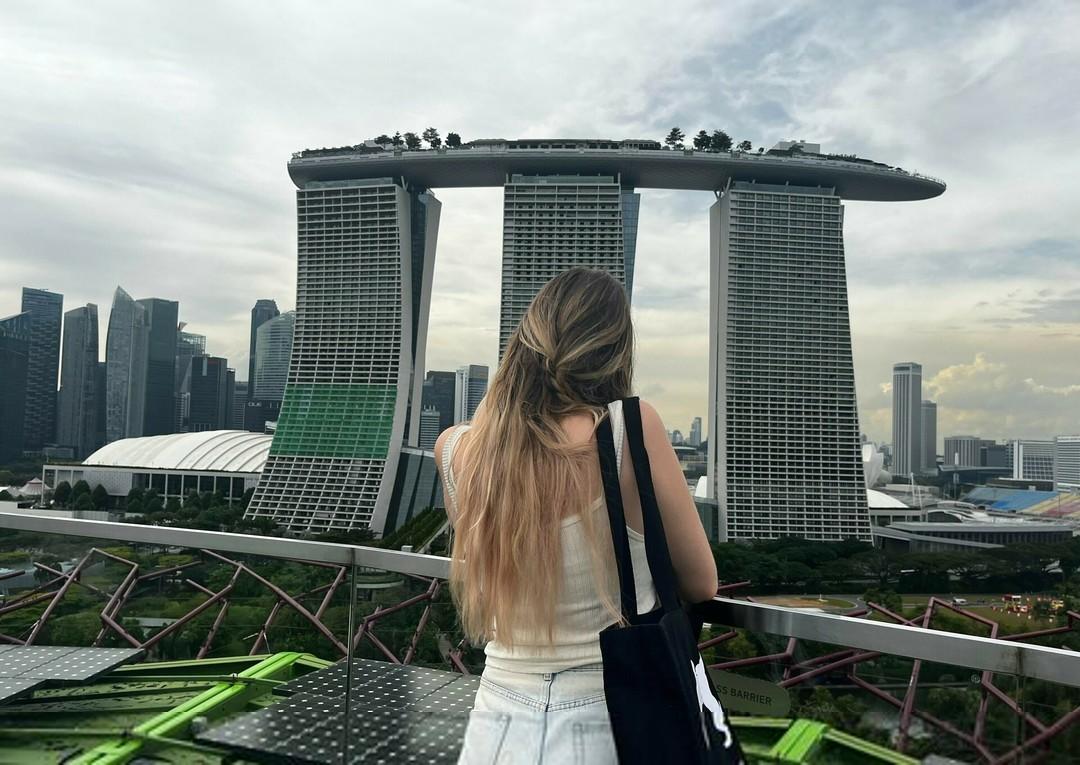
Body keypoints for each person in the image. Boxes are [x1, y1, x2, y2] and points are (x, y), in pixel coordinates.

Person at [436, 267, 718, 764]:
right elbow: (702, 584)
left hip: (496, 722)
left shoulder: (457, 449)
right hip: (611, 715)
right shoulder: (628, 429)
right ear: (615, 348)